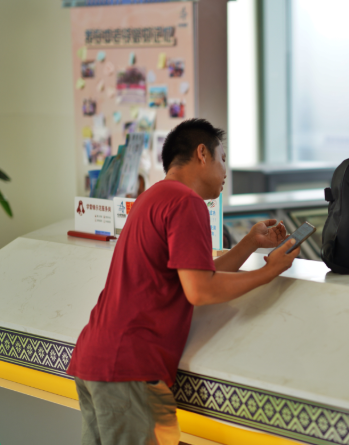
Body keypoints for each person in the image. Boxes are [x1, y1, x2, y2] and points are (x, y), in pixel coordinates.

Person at [66, 118, 300, 445]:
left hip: (96, 360)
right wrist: (268, 272)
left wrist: (249, 243)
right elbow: (200, 290)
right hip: (130, 368)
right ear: (202, 153)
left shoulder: (153, 197)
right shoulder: (186, 202)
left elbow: (198, 274)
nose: (225, 171)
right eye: (222, 159)